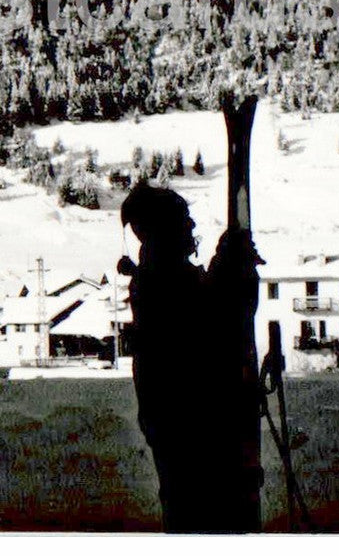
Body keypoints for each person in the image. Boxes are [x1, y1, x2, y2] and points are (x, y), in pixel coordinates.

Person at [119, 183, 260, 532]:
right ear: (163, 229)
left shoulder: (158, 278)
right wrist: (229, 265)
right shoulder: (164, 281)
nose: (191, 226)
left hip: (182, 427)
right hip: (195, 429)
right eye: (183, 219)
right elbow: (219, 325)